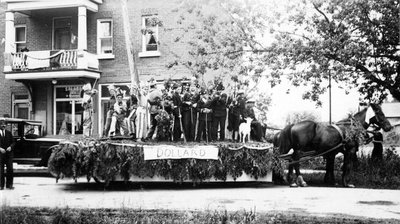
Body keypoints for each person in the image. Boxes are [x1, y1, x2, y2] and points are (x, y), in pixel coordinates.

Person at [0, 119, 15, 190]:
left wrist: (10, 147)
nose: (3, 125)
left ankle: (9, 185)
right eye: (2, 124)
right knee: (0, 170)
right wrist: (0, 149)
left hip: (8, 155)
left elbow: (13, 142)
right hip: (0, 155)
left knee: (10, 169)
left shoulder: (9, 133)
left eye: (4, 124)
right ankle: (1, 185)